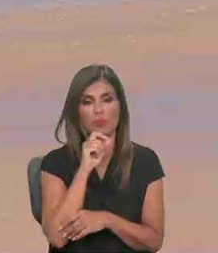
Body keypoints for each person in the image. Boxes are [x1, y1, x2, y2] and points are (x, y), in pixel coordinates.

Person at [39, 65, 165, 252]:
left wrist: (107, 220)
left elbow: (154, 241)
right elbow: (57, 237)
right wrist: (84, 169)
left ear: (120, 106)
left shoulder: (146, 160)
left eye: (107, 100)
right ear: (77, 111)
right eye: (88, 102)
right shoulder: (55, 162)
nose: (98, 110)